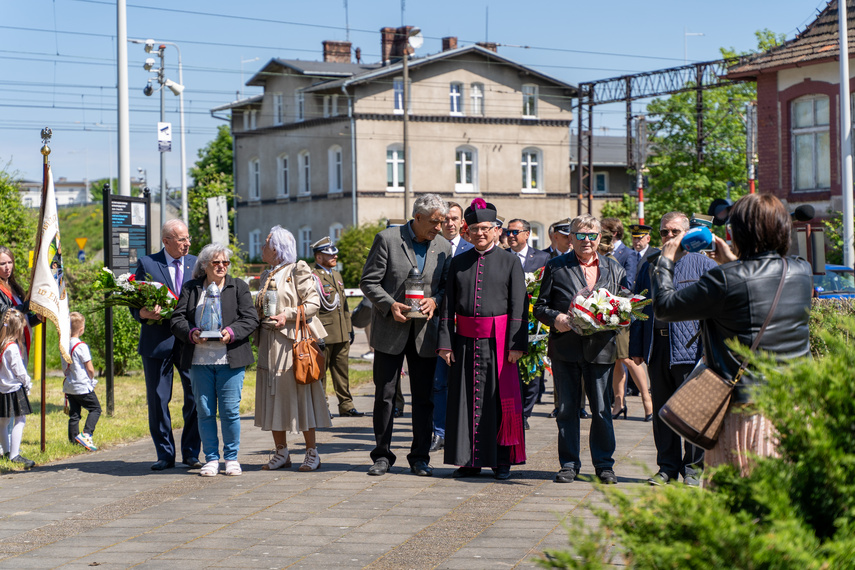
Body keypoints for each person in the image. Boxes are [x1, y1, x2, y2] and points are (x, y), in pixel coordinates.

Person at [651, 194, 812, 476]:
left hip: (746, 411)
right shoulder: (801, 270)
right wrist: (733, 262)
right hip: (794, 403)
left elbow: (665, 307)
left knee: (741, 499)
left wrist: (665, 261)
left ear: (736, 233)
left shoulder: (726, 278)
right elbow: (757, 283)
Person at [360, 193, 451, 477]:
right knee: (385, 396)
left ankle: (420, 457)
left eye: (443, 221)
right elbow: (368, 282)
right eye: (436, 222)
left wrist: (435, 300)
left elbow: (447, 287)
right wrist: (390, 305)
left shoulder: (444, 247)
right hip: (390, 331)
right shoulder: (387, 239)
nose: (440, 227)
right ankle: (382, 455)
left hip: (425, 334)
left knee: (424, 398)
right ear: (418, 217)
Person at [534, 214, 627, 485]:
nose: (587, 241)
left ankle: (604, 465)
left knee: (601, 410)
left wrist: (616, 314)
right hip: (566, 348)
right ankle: (569, 464)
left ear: (600, 238)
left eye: (592, 236)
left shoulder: (613, 267)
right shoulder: (556, 266)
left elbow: (625, 304)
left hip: (601, 349)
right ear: (571, 237)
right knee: (566, 408)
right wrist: (556, 318)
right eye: (581, 235)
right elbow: (540, 306)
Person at [438, 199, 527, 479]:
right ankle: (468, 460)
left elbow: (519, 306)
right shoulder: (458, 262)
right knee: (464, 401)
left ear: (497, 230)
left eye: (485, 228)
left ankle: (501, 461)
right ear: (467, 231)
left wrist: (516, 344)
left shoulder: (510, 261)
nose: (480, 233)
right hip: (464, 343)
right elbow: (447, 306)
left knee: (498, 401)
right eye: (474, 228)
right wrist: (445, 343)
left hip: (499, 343)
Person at [631, 212, 717, 486]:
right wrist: (636, 345)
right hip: (658, 347)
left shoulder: (703, 264)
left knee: (692, 413)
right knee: (662, 413)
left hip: (691, 350)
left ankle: (693, 470)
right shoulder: (651, 264)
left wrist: (708, 350)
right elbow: (639, 306)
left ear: (687, 233)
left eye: (675, 232)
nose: (669, 237)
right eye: (664, 232)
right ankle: (667, 467)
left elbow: (713, 313)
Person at [171, 243, 259, 477]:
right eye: (216, 263)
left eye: (225, 263)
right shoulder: (191, 288)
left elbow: (250, 319)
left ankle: (231, 458)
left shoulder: (238, 286)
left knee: (230, 410)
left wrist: (231, 332)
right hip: (199, 360)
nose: (222, 267)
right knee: (205, 410)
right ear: (205, 266)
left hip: (230, 359)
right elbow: (177, 318)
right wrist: (191, 333)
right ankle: (211, 458)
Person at [255, 226, 331, 472]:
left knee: (301, 397)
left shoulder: (298, 269)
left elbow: (312, 304)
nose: (262, 247)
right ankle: (281, 452)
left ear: (277, 248)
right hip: (269, 344)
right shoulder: (267, 273)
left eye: (266, 243)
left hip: (293, 344)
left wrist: (285, 315)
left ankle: (312, 452)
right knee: (273, 395)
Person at [131, 219, 201, 471]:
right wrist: (143, 313)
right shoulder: (148, 264)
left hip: (190, 341)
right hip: (157, 342)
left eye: (188, 238)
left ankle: (192, 452)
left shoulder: (197, 264)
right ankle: (165, 454)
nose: (187, 243)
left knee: (195, 396)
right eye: (181, 239)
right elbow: (134, 302)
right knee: (159, 400)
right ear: (166, 241)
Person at [431, 202, 473, 453]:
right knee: (439, 383)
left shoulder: (472, 248)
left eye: (454, 218)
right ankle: (439, 431)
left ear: (461, 222)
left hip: (468, 326)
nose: (449, 223)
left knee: (467, 382)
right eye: (445, 219)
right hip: (438, 324)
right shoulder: (431, 248)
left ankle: (463, 431)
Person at [311, 236, 364, 418]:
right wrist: (317, 335)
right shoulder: (313, 277)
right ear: (319, 257)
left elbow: (344, 304)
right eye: (329, 255)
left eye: (334, 254)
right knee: (321, 374)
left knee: (342, 371)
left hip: (341, 332)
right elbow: (314, 308)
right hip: (324, 332)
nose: (334, 257)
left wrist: (349, 328)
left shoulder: (336, 275)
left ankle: (346, 405)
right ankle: (322, 407)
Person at [506, 218, 550, 430]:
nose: (511, 236)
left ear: (527, 234)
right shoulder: (502, 257)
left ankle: (525, 414)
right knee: (511, 368)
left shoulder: (543, 258)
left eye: (515, 232)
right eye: (508, 232)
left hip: (535, 322)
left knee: (532, 371)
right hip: (507, 321)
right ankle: (511, 410)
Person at [0, 309, 34, 469]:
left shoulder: (2, 343)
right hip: (14, 388)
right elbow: (19, 370)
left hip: (3, 388)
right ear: (18, 328)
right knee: (20, 420)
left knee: (3, 422)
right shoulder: (12, 347)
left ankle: (7, 452)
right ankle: (14, 455)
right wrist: (27, 382)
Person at [62, 312, 101, 452]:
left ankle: (73, 440)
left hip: (69, 385)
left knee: (74, 413)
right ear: (81, 329)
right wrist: (91, 377)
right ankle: (86, 434)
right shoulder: (81, 346)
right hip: (82, 386)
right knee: (95, 409)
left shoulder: (64, 345)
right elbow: (89, 367)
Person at [625, 224, 660, 291]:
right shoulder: (627, 254)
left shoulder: (655, 255)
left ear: (648, 239)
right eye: (634, 238)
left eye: (639, 238)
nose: (636, 241)